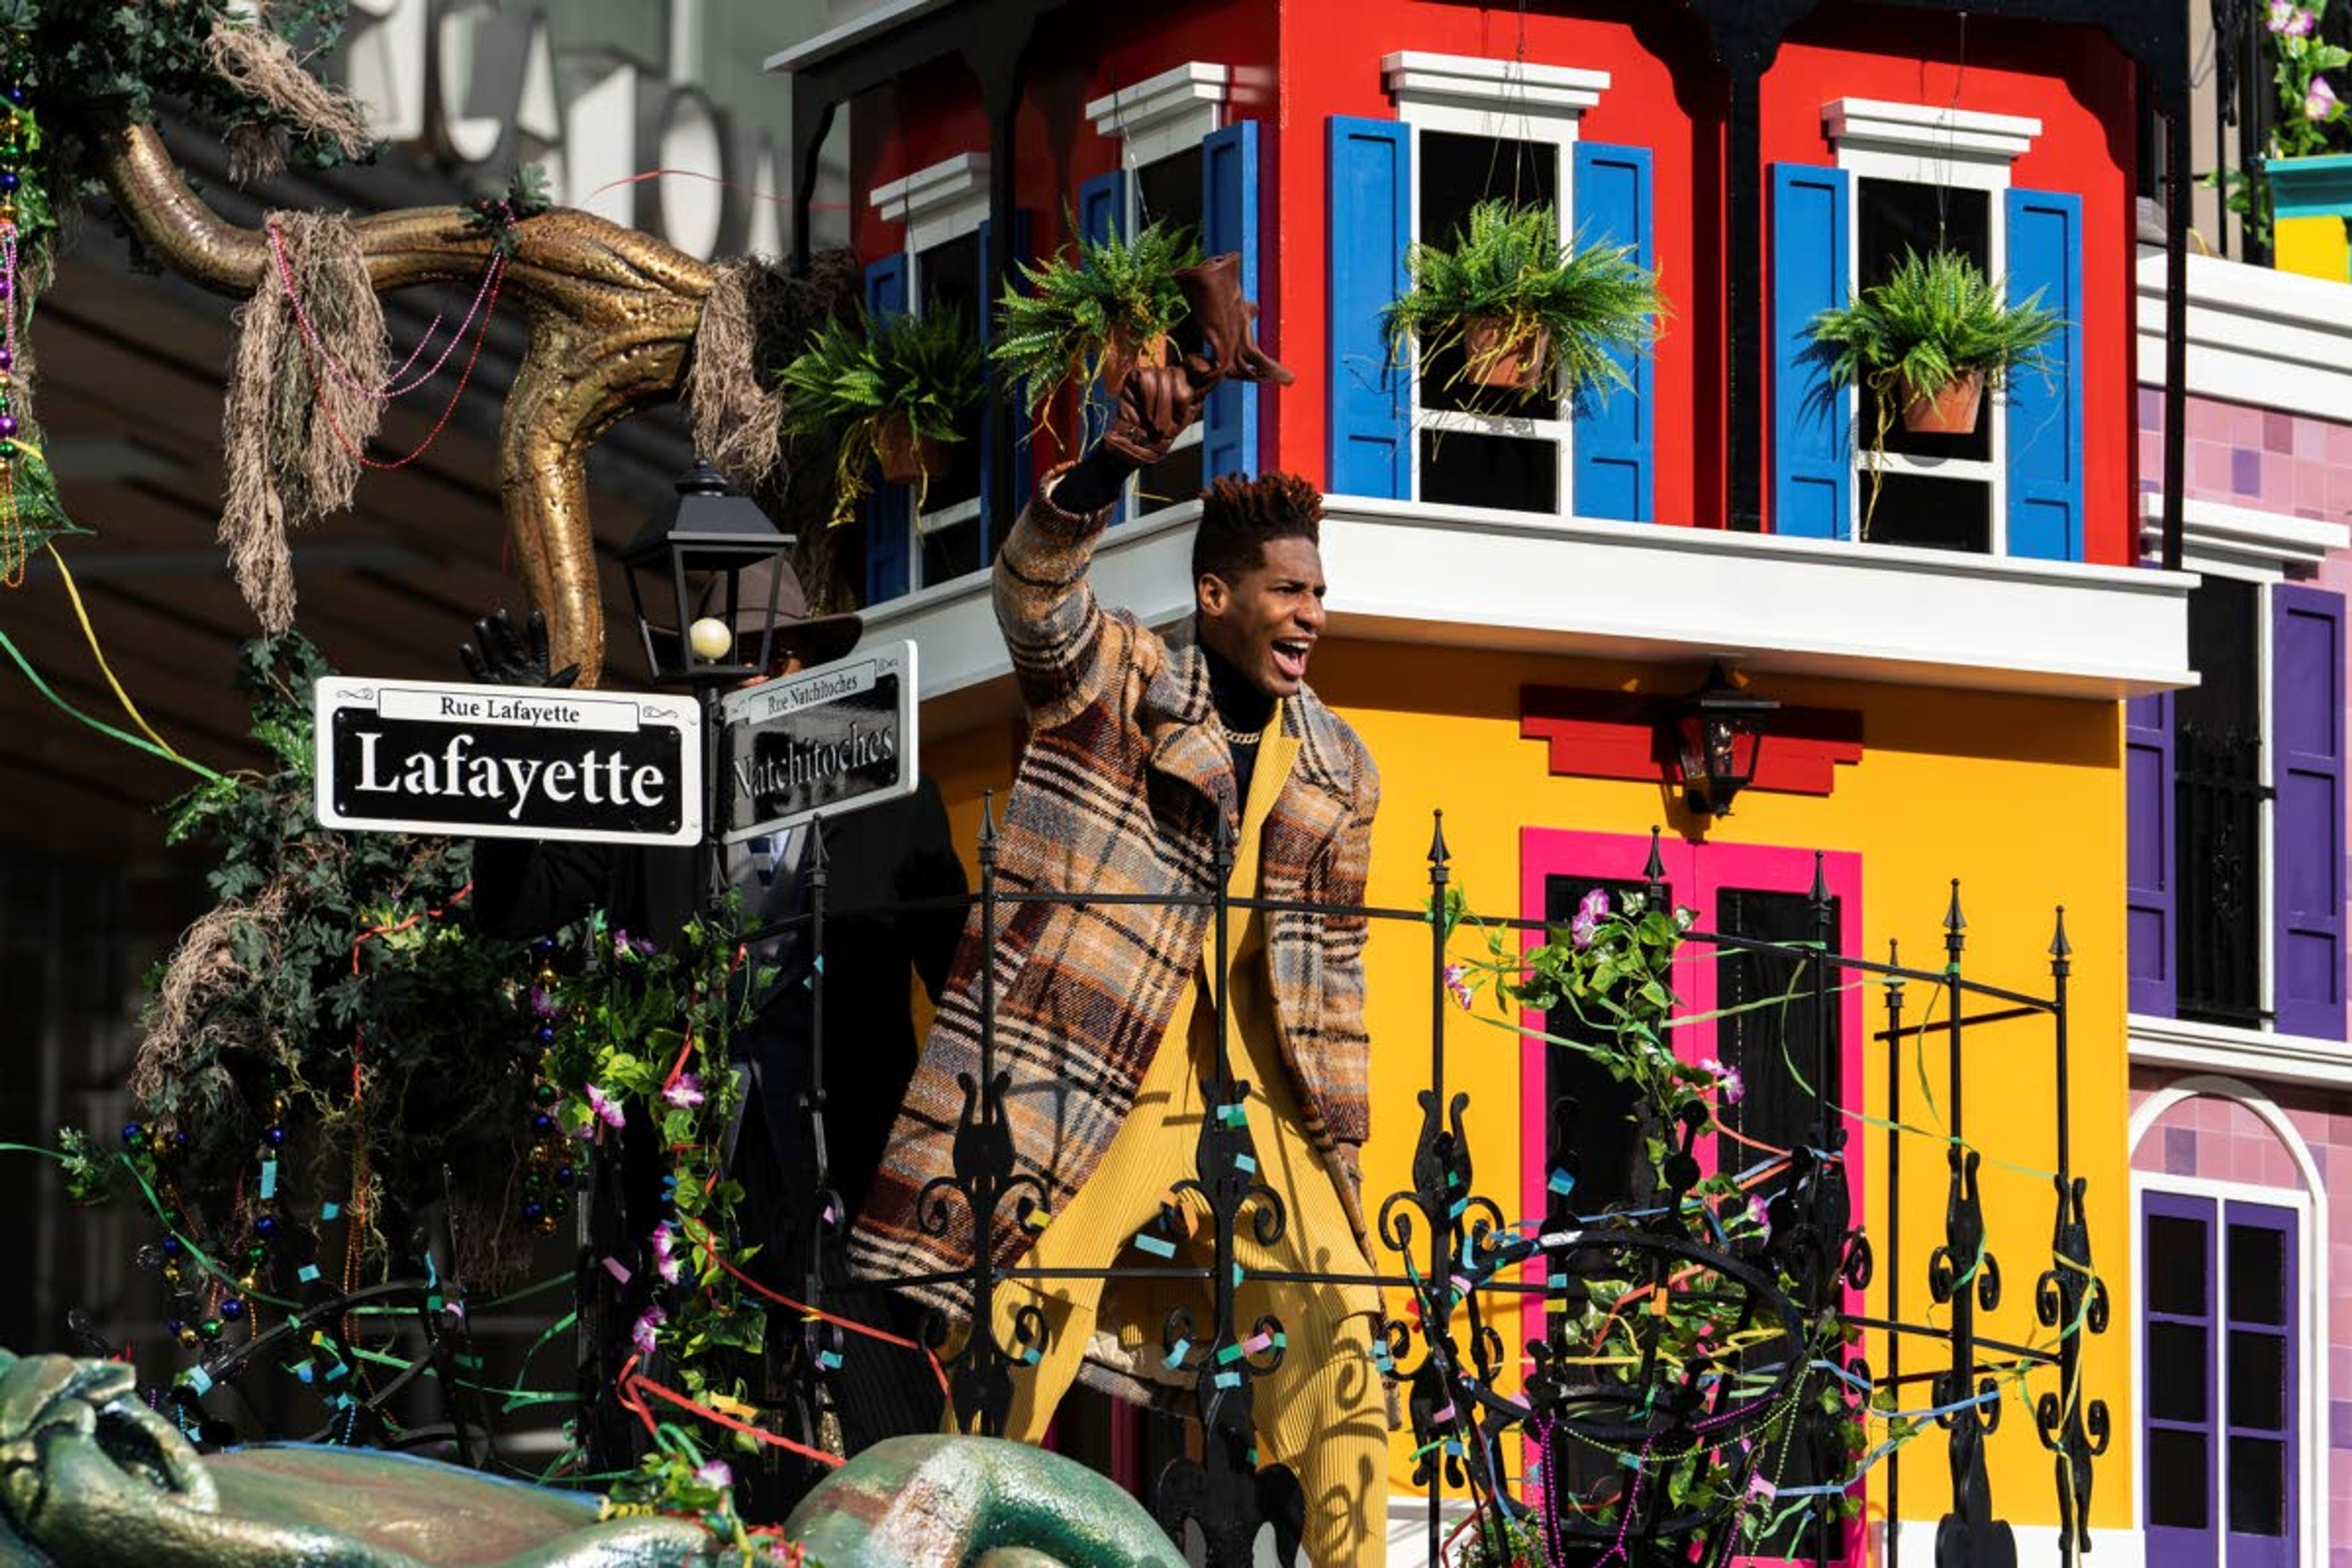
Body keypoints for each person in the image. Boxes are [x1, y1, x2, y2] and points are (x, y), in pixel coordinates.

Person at [848, 260, 1390, 1565]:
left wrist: (1351, 1150)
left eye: (1319, 593)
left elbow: (1341, 983)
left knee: (1347, 1339)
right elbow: (1034, 599)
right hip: (1103, 1057)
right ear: (1217, 598)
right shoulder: (1125, 683)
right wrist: (1107, 467)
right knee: (1019, 1317)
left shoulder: (1343, 764)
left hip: (1269, 1090)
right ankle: (950, 1539)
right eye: (1288, 592)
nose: (1311, 613)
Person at [458, 570, 968, 1504]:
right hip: (684, 1192)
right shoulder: (646, 791)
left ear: (805, 668)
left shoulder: (893, 795)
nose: (735, 686)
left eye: (761, 662)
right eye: (716, 668)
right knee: (693, 1467)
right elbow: (510, 907)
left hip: (849, 1182)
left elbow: (965, 993)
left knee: (887, 1469)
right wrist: (517, 745)